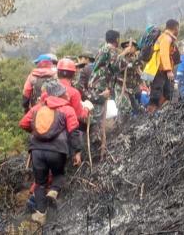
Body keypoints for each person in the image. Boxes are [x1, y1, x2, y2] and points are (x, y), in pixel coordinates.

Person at [19, 80, 83, 225]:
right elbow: (74, 132)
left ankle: (41, 214)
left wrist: (35, 131)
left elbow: (23, 123)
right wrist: (77, 152)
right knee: (59, 174)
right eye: (64, 92)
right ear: (60, 94)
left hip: (36, 150)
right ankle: (54, 191)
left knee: (40, 183)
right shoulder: (67, 109)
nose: (67, 93)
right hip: (57, 150)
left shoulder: (37, 108)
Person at [86, 30, 121, 158]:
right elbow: (116, 66)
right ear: (116, 39)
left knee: (97, 114)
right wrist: (125, 54)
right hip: (100, 85)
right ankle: (97, 146)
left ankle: (98, 144)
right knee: (98, 116)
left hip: (95, 83)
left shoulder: (103, 48)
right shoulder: (111, 50)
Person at [146, 19, 180, 113]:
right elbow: (164, 54)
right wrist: (169, 70)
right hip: (157, 70)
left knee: (170, 92)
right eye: (178, 28)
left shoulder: (166, 38)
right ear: (175, 28)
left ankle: (162, 112)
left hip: (159, 71)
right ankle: (150, 115)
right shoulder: (166, 38)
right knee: (155, 96)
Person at [116, 40, 144, 115]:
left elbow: (139, 71)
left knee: (137, 108)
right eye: (126, 47)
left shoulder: (136, 59)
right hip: (122, 88)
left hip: (134, 88)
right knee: (125, 108)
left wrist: (145, 84)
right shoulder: (120, 58)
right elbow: (116, 65)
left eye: (131, 46)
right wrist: (124, 54)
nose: (128, 48)